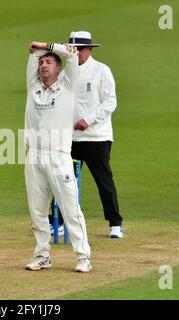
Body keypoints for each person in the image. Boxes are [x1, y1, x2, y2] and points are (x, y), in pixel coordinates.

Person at [24, 41, 92, 272]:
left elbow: (71, 57)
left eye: (49, 62)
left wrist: (46, 45)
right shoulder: (32, 86)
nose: (43, 65)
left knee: (70, 209)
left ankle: (83, 257)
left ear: (58, 68)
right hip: (34, 156)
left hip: (58, 157)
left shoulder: (68, 85)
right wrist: (40, 51)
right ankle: (42, 255)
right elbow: (32, 55)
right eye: (42, 62)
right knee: (37, 212)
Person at [67, 31, 124, 239]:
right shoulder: (66, 72)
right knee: (64, 179)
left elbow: (110, 101)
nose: (76, 54)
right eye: (72, 50)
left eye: (80, 50)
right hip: (70, 137)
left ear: (89, 50)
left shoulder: (101, 70)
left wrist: (88, 120)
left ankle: (115, 223)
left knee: (103, 180)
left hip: (96, 137)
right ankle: (62, 221)